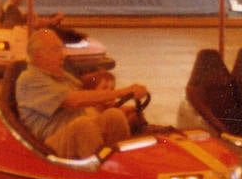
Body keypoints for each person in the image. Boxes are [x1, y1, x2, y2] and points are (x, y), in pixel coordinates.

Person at [14, 28, 147, 159]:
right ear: (38, 56)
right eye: (56, 50)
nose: (63, 55)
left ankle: (123, 164)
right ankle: (99, 174)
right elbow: (74, 101)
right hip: (48, 145)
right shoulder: (29, 79)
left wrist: (123, 108)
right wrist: (121, 92)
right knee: (83, 126)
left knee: (114, 116)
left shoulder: (60, 76)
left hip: (75, 133)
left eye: (61, 49)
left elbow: (87, 96)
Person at [0, 0, 64, 30]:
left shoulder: (15, 8)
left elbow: (32, 20)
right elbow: (35, 24)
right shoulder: (11, 9)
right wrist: (54, 20)